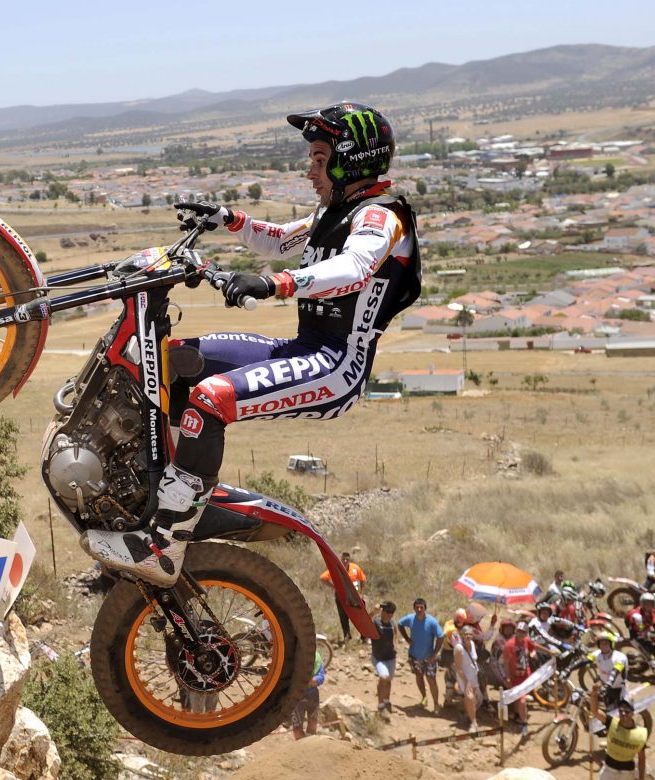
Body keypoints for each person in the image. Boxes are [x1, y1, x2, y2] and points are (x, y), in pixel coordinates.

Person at [80, 103, 420, 581]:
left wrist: (276, 284)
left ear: (351, 159)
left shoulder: (381, 218)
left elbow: (353, 268)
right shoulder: (334, 212)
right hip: (303, 349)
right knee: (176, 360)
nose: (310, 172)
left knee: (212, 398)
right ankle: (156, 498)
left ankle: (165, 543)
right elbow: (280, 240)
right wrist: (228, 219)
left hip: (336, 366)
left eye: (320, 159)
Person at [594, 699, 649, 780]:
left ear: (632, 713)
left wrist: (640, 778)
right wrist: (594, 695)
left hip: (627, 772)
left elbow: (642, 758)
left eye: (627, 711)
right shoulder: (612, 723)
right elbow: (595, 711)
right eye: (621, 711)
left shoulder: (640, 734)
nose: (624, 714)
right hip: (609, 768)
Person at [398, 599, 444, 710]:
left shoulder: (432, 622)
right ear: (414, 608)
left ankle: (436, 704)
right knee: (419, 676)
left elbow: (441, 637)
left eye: (421, 607)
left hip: (429, 657)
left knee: (431, 680)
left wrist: (434, 654)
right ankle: (424, 698)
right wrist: (406, 638)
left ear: (425, 608)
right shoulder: (410, 618)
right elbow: (399, 624)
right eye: (417, 607)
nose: (419, 609)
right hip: (414, 655)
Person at [500, 619, 537, 736]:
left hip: (525, 676)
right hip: (515, 676)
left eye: (523, 632)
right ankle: (524, 723)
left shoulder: (526, 641)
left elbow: (534, 647)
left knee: (520, 699)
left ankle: (518, 717)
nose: (521, 634)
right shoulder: (509, 645)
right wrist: (508, 678)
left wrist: (548, 652)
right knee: (521, 700)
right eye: (519, 631)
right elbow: (505, 662)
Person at [320, 552, 366, 643]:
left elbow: (363, 579)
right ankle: (347, 636)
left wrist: (361, 592)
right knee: (343, 617)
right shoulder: (336, 568)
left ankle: (364, 637)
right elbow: (323, 578)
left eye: (347, 559)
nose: (345, 561)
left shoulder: (355, 568)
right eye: (343, 559)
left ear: (349, 560)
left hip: (354, 596)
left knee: (360, 616)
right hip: (341, 596)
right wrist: (334, 586)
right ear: (341, 559)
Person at [588, 632, 629, 732]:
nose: (604, 646)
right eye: (601, 644)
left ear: (611, 644)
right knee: (609, 715)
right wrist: (568, 669)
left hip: (619, 689)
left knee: (620, 716)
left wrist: (608, 684)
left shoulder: (619, 657)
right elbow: (584, 660)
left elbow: (615, 672)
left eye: (606, 643)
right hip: (607, 688)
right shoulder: (597, 654)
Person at [451, 627, 483, 734]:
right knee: (469, 697)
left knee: (472, 700)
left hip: (473, 675)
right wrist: (466, 681)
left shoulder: (473, 645)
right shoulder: (459, 648)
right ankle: (474, 723)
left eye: (470, 634)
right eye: (466, 634)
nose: (468, 636)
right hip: (464, 677)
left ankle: (468, 716)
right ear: (462, 635)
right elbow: (457, 667)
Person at [370, 601, 399, 715]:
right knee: (383, 678)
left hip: (391, 657)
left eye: (391, 612)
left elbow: (395, 633)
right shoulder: (376, 622)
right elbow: (364, 621)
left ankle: (387, 701)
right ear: (382, 611)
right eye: (387, 612)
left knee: (388, 681)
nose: (389, 615)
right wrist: (373, 611)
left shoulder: (392, 623)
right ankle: (380, 705)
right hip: (378, 658)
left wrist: (395, 644)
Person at [290, 648, 326, 739]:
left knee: (313, 722)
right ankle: (300, 746)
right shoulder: (293, 657)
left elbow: (321, 677)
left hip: (313, 694)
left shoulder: (317, 658)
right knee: (297, 727)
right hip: (297, 696)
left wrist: (311, 681)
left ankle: (310, 745)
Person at [625, 592, 655, 676]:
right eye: (646, 603)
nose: (649, 605)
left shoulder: (652, 612)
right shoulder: (637, 615)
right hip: (636, 637)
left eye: (651, 603)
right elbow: (641, 629)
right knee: (647, 653)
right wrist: (651, 634)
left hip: (646, 634)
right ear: (642, 603)